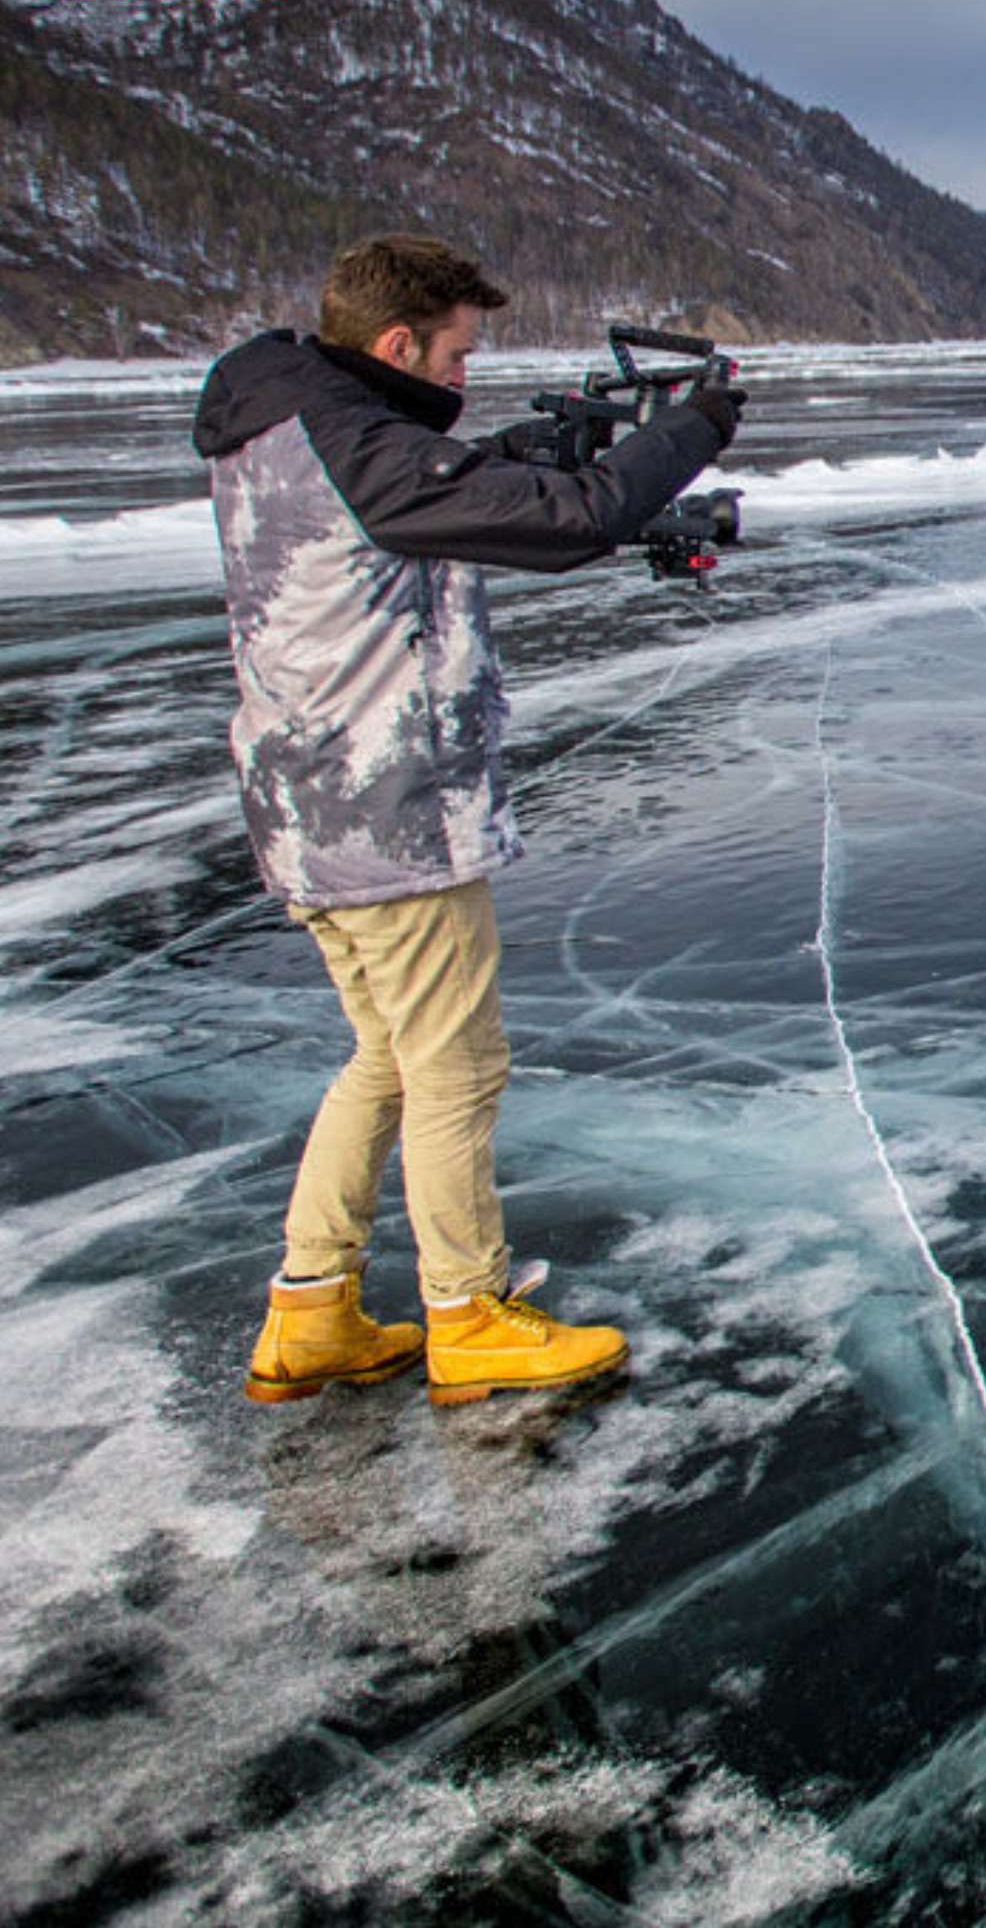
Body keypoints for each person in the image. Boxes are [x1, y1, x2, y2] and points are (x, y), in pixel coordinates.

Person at [198, 235, 744, 1407]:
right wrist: (689, 431)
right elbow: (568, 520)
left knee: (388, 1061)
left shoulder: (297, 425)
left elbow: (430, 505)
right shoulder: (351, 442)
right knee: (456, 1069)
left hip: (310, 811)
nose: (462, 376)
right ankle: (470, 1313)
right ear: (398, 345)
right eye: (456, 353)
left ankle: (312, 1312)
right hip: (386, 820)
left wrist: (519, 456)